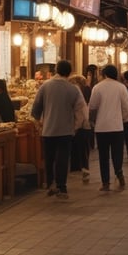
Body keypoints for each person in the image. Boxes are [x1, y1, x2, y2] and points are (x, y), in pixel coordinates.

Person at [31, 59, 87, 199]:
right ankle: (62, 187)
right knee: (62, 158)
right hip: (66, 130)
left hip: (48, 129)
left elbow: (36, 107)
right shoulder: (73, 89)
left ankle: (50, 184)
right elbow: (81, 110)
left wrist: (38, 123)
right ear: (69, 73)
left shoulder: (45, 86)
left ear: (56, 70)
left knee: (49, 158)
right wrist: (76, 126)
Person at [88, 64, 128, 191]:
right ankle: (119, 172)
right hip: (117, 126)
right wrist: (124, 119)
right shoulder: (121, 87)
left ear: (104, 74)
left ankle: (105, 182)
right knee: (117, 153)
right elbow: (127, 108)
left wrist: (92, 120)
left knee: (103, 155)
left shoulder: (98, 87)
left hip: (101, 127)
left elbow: (92, 107)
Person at [68, 74, 92, 182]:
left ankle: (81, 169)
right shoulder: (82, 91)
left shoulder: (75, 91)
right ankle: (84, 168)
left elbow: (79, 113)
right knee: (83, 149)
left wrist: (75, 127)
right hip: (85, 125)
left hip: (80, 125)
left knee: (79, 148)